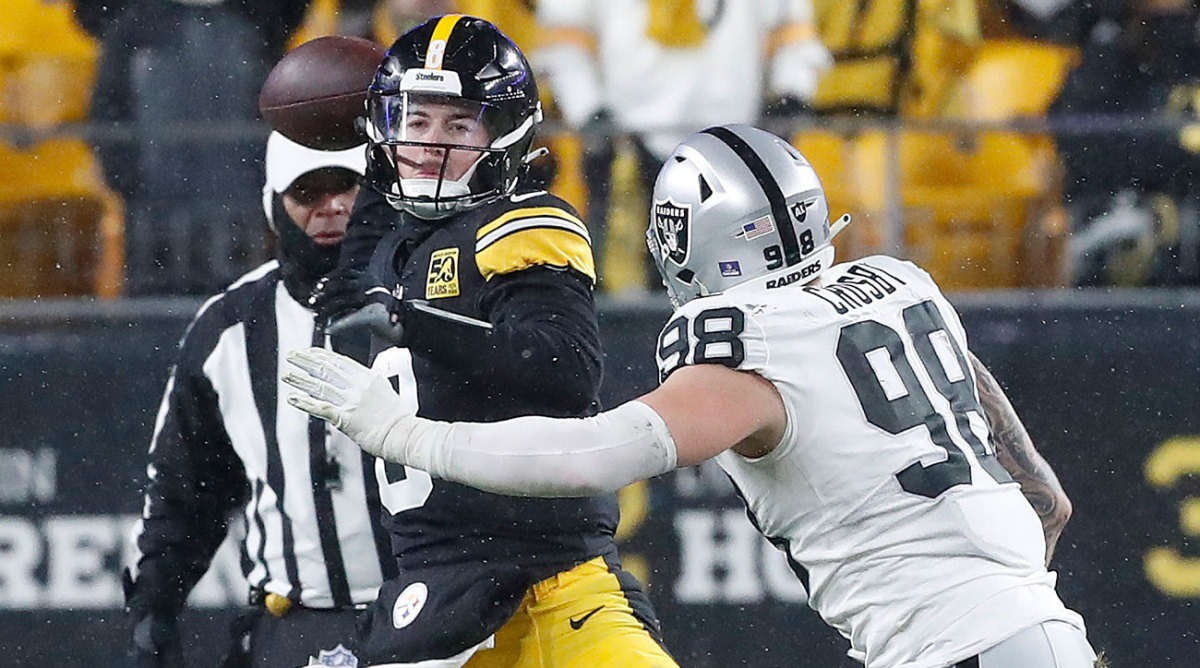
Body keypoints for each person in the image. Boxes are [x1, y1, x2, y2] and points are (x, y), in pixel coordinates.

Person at [286, 124, 1099, 668]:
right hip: (1040, 629)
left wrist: (404, 435)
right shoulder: (900, 287)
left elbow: (591, 456)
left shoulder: (754, 340)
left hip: (959, 650)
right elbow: (1046, 499)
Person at [306, 14, 677, 667]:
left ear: (504, 136)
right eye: (415, 122)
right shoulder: (385, 250)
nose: (429, 146)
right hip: (432, 601)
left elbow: (566, 370)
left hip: (551, 585)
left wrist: (412, 322)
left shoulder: (520, 221)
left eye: (458, 126)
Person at [123, 132, 392, 668]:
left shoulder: (429, 303)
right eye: (307, 192)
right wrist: (154, 609)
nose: (331, 206)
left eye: (347, 186)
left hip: (431, 617)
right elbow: (185, 491)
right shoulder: (229, 330)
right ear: (273, 205)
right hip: (292, 624)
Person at [532, 0, 831, 291]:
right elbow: (566, 35)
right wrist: (587, 109)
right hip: (626, 146)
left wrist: (791, 91)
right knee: (625, 289)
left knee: (745, 277)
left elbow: (791, 29)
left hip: (734, 147)